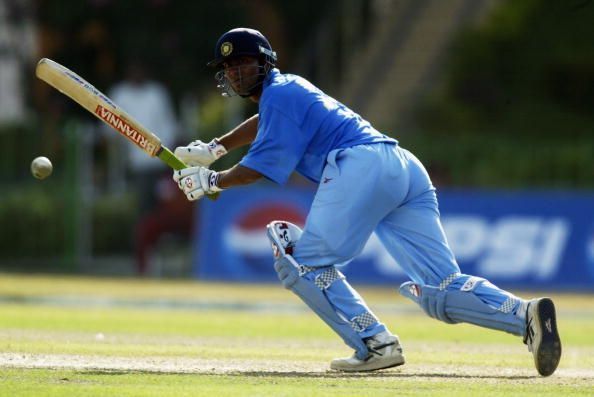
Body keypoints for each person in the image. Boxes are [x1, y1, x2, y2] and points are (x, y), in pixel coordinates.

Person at [171, 28, 561, 376]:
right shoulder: (286, 93)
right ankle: (524, 315)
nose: (237, 71)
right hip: (402, 167)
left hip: (358, 165)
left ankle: (375, 344)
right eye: (230, 66)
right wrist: (216, 147)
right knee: (441, 289)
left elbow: (262, 166)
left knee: (300, 262)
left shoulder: (280, 93)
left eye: (243, 62)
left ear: (265, 62)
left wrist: (212, 180)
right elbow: (263, 124)